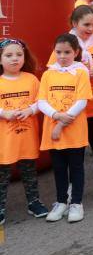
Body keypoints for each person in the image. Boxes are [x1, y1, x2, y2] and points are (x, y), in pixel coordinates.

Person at [53, 7, 93, 201]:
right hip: (71, 108)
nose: (91, 28)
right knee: (74, 150)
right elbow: (52, 68)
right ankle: (73, 185)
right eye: (86, 24)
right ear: (74, 23)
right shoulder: (65, 44)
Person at [38, 33, 92, 223]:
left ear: (76, 52)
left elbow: (82, 101)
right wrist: (56, 115)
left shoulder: (81, 72)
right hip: (53, 129)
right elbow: (42, 101)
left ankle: (76, 203)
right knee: (59, 168)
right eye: (58, 52)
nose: (62, 56)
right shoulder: (48, 74)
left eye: (67, 52)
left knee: (76, 167)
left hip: (73, 128)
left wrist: (61, 123)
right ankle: (61, 201)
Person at [0, 38, 48, 224]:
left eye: (19, 55)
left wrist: (30, 110)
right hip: (5, 141)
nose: (14, 59)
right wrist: (5, 113)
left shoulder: (31, 79)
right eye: (9, 55)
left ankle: (34, 202)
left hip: (27, 138)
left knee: (29, 173)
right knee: (2, 176)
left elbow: (41, 102)